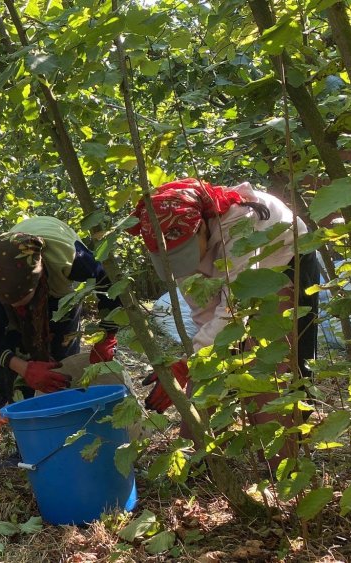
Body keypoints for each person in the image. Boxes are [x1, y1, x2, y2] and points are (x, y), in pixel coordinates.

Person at [127, 178, 318, 462]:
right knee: (207, 357)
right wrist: (195, 362)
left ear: (203, 226)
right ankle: (197, 457)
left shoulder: (242, 224)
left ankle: (284, 466)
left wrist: (190, 363)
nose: (184, 264)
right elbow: (206, 317)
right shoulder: (169, 240)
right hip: (235, 283)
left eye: (186, 253)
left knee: (266, 363)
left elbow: (235, 310)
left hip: (282, 259)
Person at [0, 217, 122, 431]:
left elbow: (110, 285)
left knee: (62, 363)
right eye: (11, 303)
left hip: (57, 294)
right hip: (14, 296)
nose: (19, 307)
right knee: (16, 358)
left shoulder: (73, 260)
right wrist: (25, 368)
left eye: (23, 299)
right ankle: (17, 412)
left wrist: (108, 336)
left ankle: (64, 420)